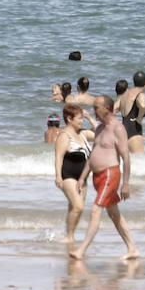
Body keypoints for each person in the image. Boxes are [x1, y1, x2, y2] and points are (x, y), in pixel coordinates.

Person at [71, 95, 138, 260]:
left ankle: (81, 250)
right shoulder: (100, 129)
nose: (93, 111)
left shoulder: (118, 128)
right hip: (98, 177)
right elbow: (93, 155)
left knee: (95, 210)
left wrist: (126, 184)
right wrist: (82, 178)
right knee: (114, 214)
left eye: (96, 108)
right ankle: (132, 249)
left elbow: (126, 157)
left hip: (111, 174)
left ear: (106, 108)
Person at [54, 103, 93, 247]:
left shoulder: (83, 133)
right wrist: (58, 176)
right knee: (78, 206)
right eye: (79, 118)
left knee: (74, 207)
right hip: (68, 174)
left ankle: (69, 234)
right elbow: (58, 157)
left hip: (83, 177)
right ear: (69, 119)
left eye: (82, 118)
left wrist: (90, 118)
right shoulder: (64, 136)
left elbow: (101, 133)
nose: (81, 121)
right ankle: (69, 236)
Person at [119, 71, 145, 154]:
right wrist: (139, 118)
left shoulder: (124, 95)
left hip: (123, 132)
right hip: (134, 131)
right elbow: (142, 106)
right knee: (141, 161)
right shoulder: (140, 94)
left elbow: (114, 108)